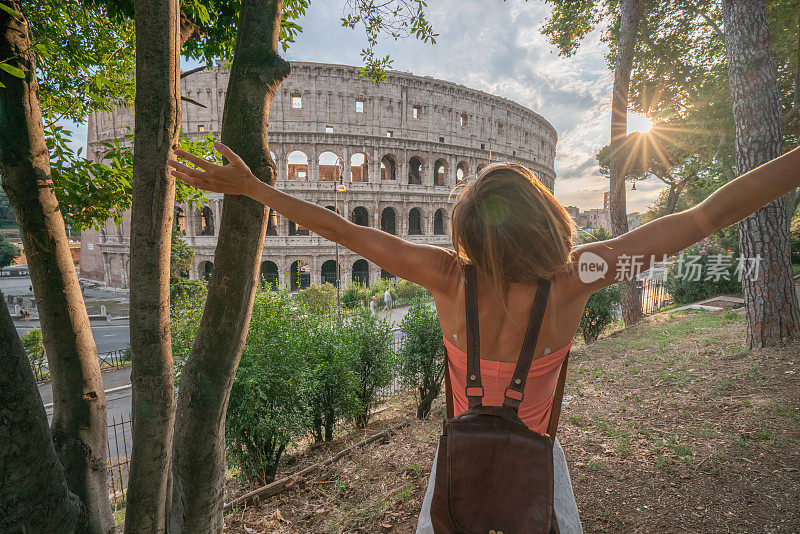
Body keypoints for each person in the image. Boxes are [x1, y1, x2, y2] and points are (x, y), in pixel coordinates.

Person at [169, 142, 800, 533]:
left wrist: (253, 190)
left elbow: (346, 233)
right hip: (535, 459)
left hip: (460, 460)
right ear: (548, 221)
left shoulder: (445, 277)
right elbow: (707, 215)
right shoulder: (578, 277)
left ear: (469, 230)